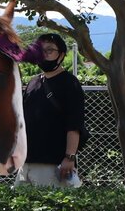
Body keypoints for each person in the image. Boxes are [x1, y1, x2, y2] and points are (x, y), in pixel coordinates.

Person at [17, 32, 83, 188]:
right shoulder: (33, 82)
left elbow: (74, 125)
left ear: (61, 55)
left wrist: (69, 157)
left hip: (53, 165)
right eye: (40, 50)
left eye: (50, 50)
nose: (44, 55)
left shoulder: (70, 84)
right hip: (25, 163)